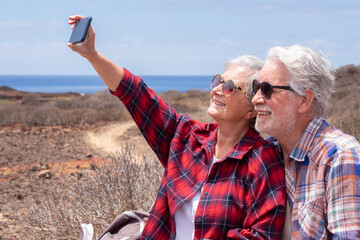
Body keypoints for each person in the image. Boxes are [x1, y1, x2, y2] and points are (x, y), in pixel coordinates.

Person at [68, 15, 286, 239]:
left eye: (230, 87)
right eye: (218, 81)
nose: (218, 89)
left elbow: (261, 234)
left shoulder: (261, 160)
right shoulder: (187, 138)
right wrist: (92, 54)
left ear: (252, 109)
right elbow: (137, 95)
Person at [251, 44, 360, 239]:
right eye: (256, 88)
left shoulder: (340, 157)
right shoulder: (268, 154)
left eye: (267, 89)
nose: (256, 99)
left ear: (304, 100)